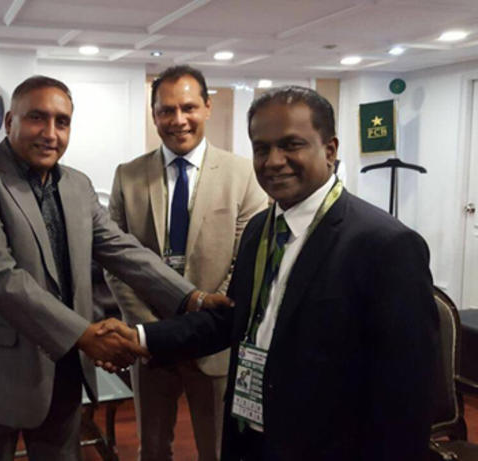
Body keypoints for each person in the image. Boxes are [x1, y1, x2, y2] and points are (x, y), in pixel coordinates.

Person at [99, 86, 438, 460]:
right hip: (251, 435)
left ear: (330, 150)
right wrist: (141, 337)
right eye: (261, 149)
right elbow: (232, 318)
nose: (274, 161)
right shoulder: (261, 228)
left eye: (291, 145)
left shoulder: (385, 245)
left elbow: (407, 395)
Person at [0, 75, 232, 460]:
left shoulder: (77, 184)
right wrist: (84, 334)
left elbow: (122, 249)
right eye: (37, 118)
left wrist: (191, 298)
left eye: (62, 122)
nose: (50, 133)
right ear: (9, 121)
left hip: (63, 372)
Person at [105, 65, 266, 461]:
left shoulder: (243, 174)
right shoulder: (128, 175)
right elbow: (114, 261)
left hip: (213, 343)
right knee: (152, 448)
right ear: (154, 114)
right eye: (166, 110)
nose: (178, 120)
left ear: (207, 107)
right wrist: (152, 331)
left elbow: (243, 261)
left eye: (189, 107)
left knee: (218, 449)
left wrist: (200, 327)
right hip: (149, 339)